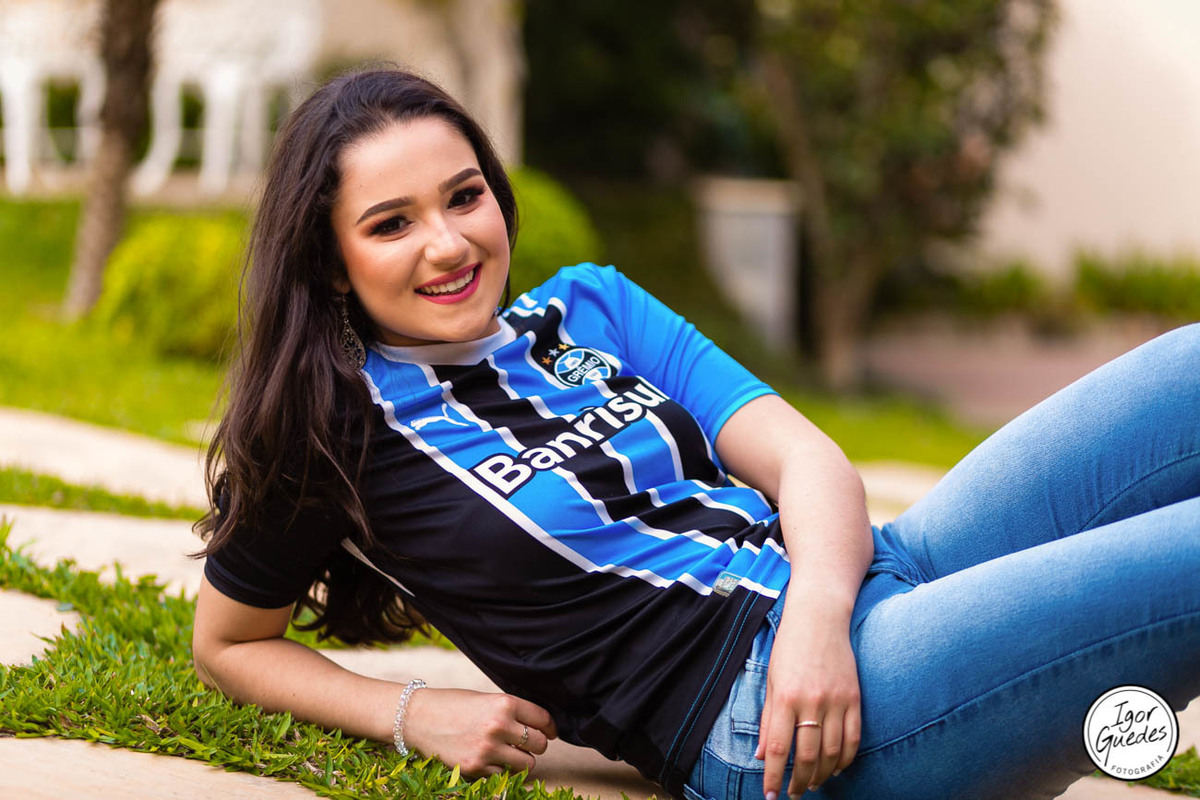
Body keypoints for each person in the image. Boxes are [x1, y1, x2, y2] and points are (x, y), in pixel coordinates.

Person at [191, 67, 1200, 800]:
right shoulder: (332, 430)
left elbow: (805, 459)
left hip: (856, 587)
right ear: (330, 261)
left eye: (465, 196)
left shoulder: (592, 306)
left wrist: (816, 620)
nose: (449, 243)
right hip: (779, 723)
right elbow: (229, 643)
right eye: (392, 223)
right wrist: (414, 710)